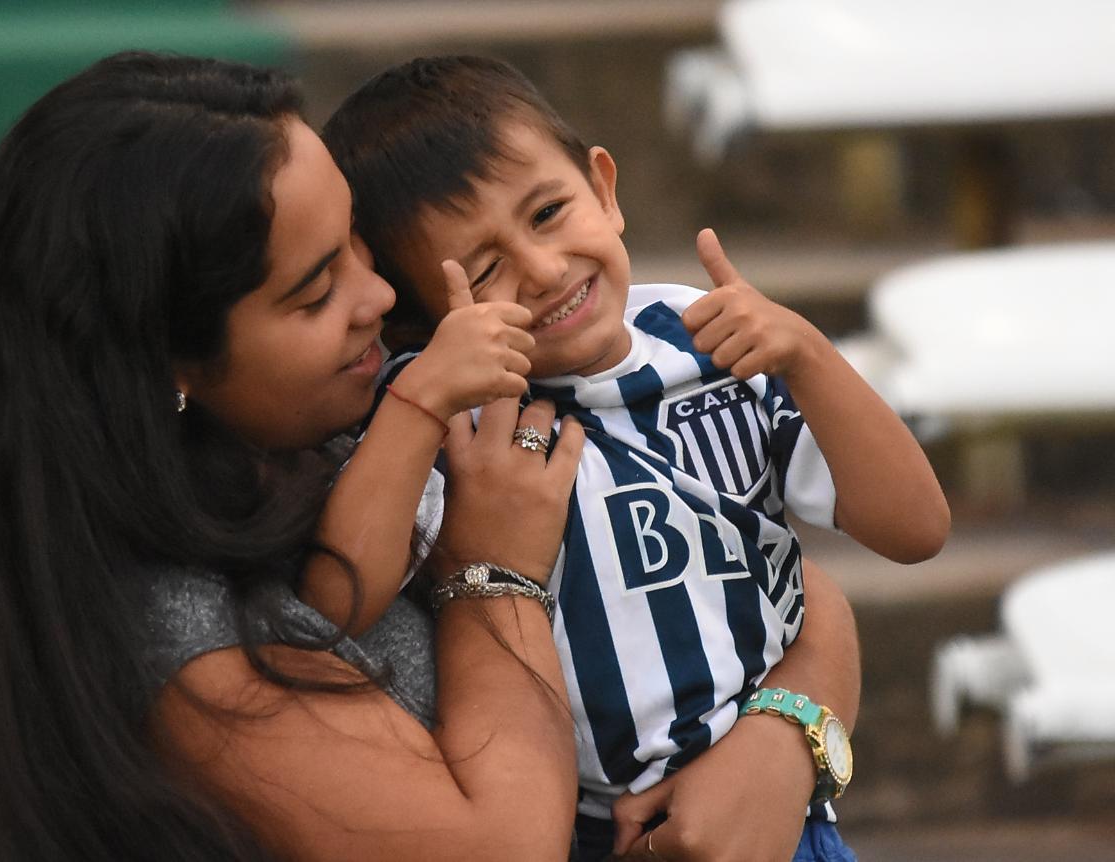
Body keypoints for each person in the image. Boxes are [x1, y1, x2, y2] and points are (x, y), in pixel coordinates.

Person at [0, 50, 863, 861]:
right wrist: (494, 570)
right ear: (169, 365)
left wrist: (787, 739)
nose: (381, 294)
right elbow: (498, 849)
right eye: (313, 291)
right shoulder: (171, 633)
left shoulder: (352, 416)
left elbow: (785, 583)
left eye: (358, 244)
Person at [320, 55, 950, 860]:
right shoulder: (450, 412)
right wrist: (416, 406)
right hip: (584, 833)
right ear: (422, 322)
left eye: (549, 212)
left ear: (605, 189)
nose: (544, 272)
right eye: (483, 271)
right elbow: (339, 596)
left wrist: (809, 355)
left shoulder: (711, 338)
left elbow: (916, 527)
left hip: (782, 815)